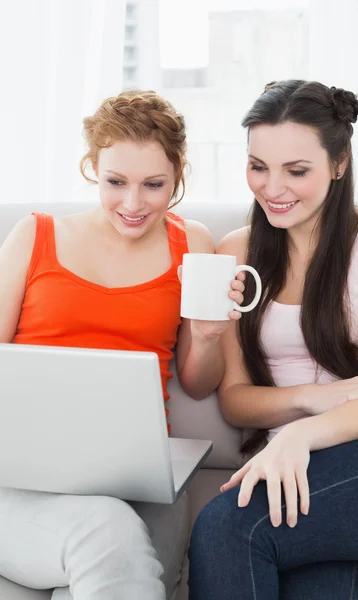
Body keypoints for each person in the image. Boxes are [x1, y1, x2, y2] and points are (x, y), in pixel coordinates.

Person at [0, 90, 245, 600]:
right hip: (22, 484)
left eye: (154, 185)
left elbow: (199, 385)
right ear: (92, 168)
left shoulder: (192, 244)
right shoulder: (33, 236)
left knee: (110, 560)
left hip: (140, 484)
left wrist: (205, 336)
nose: (133, 205)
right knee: (105, 530)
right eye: (116, 182)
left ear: (179, 175)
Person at [188, 79, 358, 600]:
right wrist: (309, 401)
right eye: (258, 167)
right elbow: (236, 401)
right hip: (295, 465)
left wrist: (302, 435)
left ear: (339, 162)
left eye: (296, 170)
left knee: (226, 526)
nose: (272, 188)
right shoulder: (236, 251)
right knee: (316, 583)